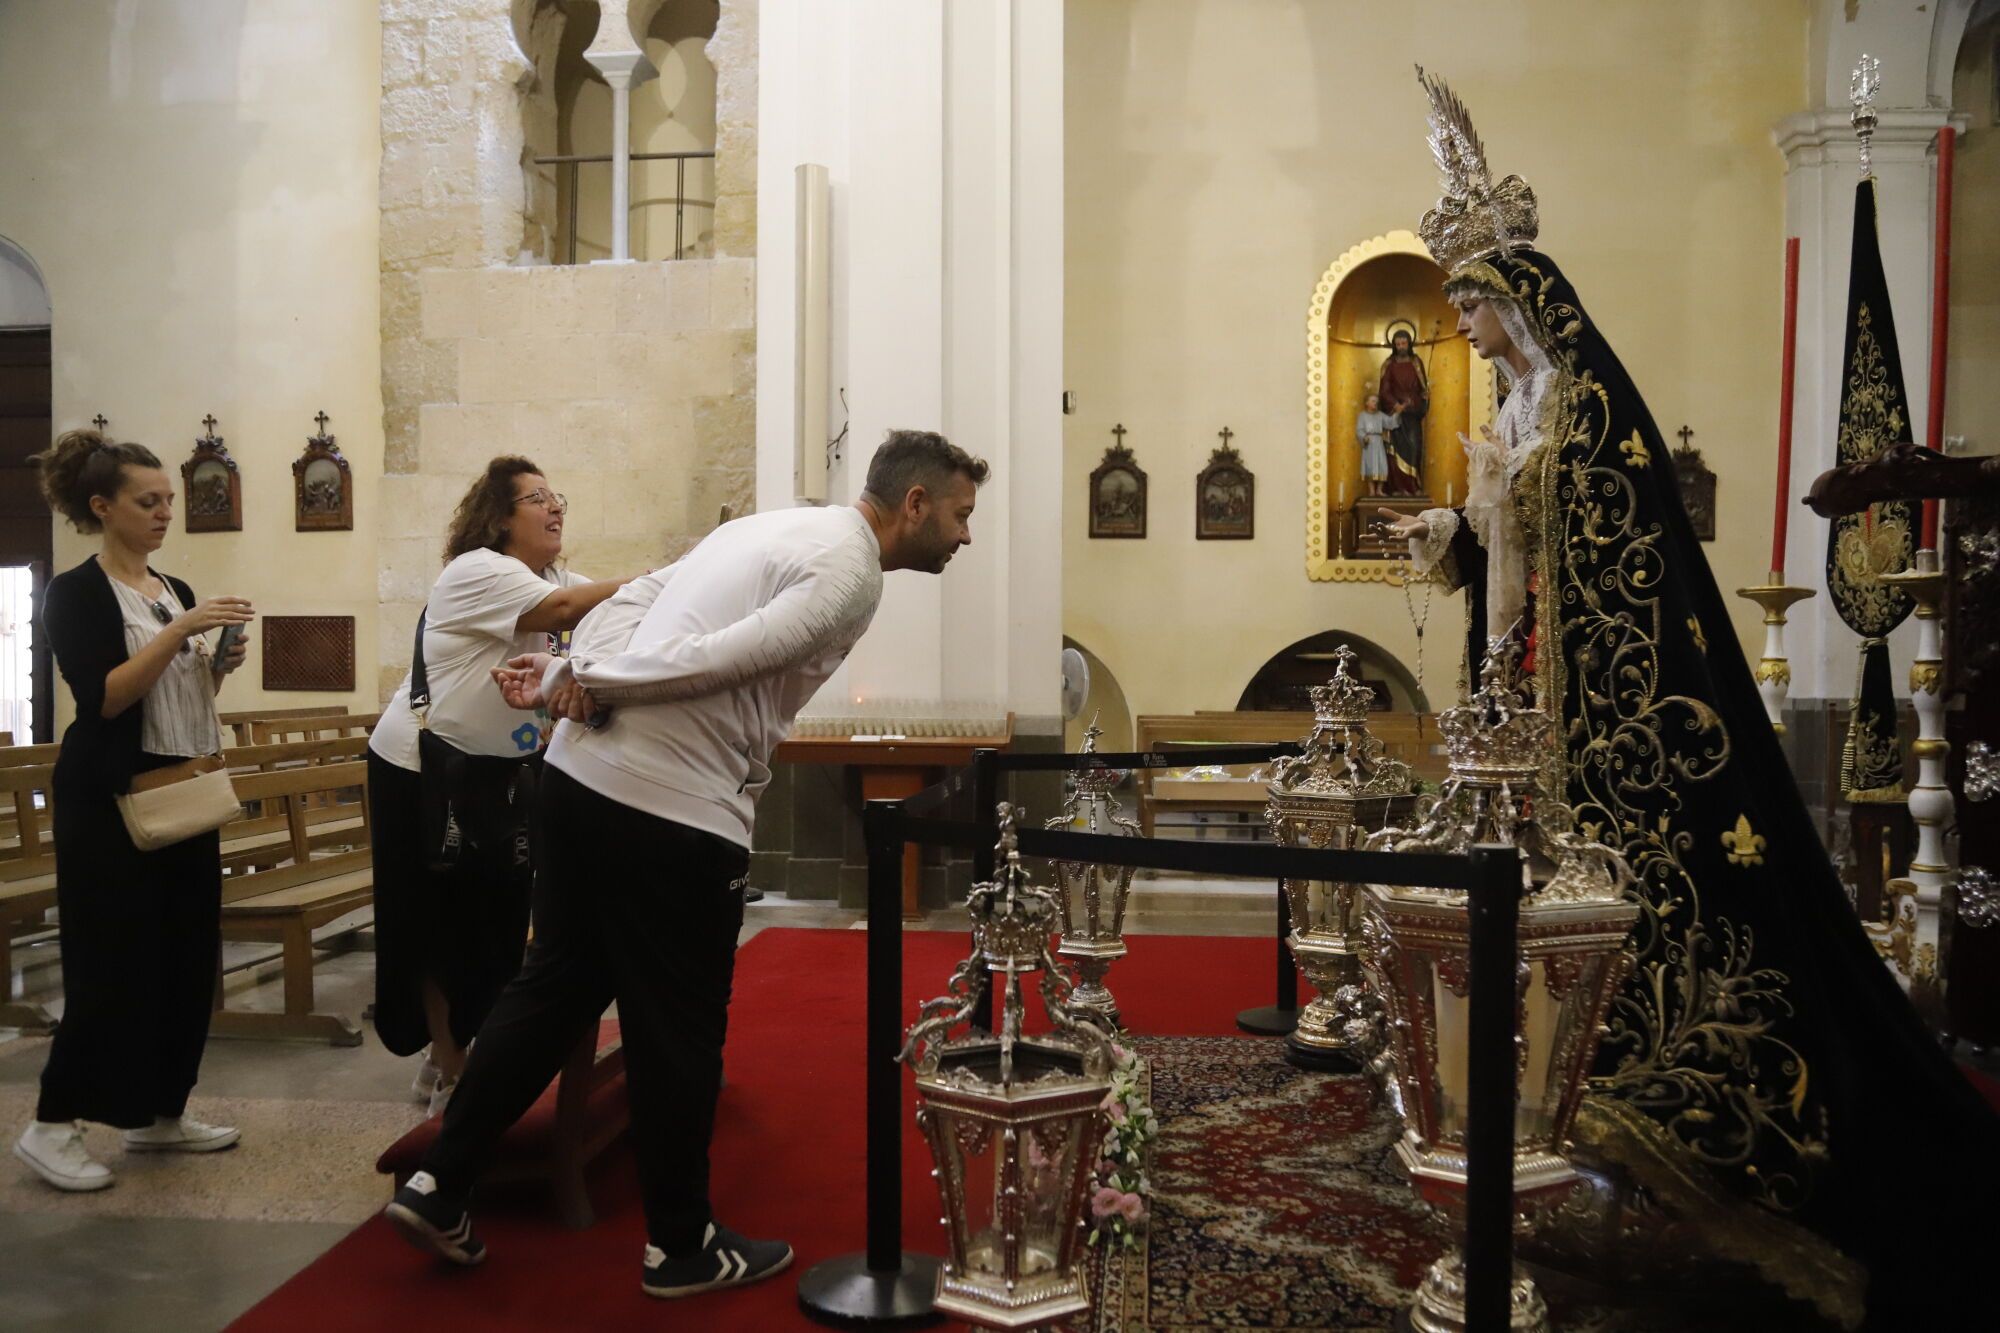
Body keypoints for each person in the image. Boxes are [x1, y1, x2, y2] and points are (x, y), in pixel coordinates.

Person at [1376, 71, 2000, 1327]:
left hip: (1591, 706)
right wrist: (1456, 524)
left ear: (1519, 302)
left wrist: (1496, 507)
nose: (1461, 326)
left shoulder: (1584, 404)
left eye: (1472, 303)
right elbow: (1512, 551)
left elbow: (1600, 549)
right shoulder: (1513, 407)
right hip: (1526, 698)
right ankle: (1536, 1108)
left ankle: (1611, 1113)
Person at [380, 430, 985, 1299]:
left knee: (553, 985)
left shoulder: (770, 528)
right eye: (961, 515)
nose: (965, 536)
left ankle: (442, 1181)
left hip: (579, 782)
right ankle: (682, 1243)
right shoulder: (850, 570)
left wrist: (579, 668)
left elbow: (645, 595)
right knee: (682, 1025)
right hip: (668, 809)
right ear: (916, 503)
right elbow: (723, 657)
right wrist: (584, 676)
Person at [12, 430, 252, 1192]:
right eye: (148, 502)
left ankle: (159, 1113)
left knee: (184, 963)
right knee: (110, 965)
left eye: (168, 501)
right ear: (101, 506)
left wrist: (214, 667)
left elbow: (181, 701)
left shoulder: (171, 587)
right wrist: (182, 630)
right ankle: (50, 1126)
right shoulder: (76, 592)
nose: (163, 514)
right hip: (111, 798)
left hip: (182, 789)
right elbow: (106, 695)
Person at [368, 458, 632, 1113]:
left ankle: (445, 1055)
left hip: (494, 773)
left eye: (556, 495)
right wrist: (659, 577)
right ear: (500, 517)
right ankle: (454, 1069)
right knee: (431, 923)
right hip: (418, 768)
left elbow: (604, 607)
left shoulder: (548, 578)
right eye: (536, 498)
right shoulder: (478, 569)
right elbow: (570, 607)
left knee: (497, 923)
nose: (554, 507)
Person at [1377, 324, 1429, 486]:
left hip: (1412, 414)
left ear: (1409, 344)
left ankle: (1413, 485)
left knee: (1414, 448)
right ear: (1394, 345)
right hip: (1395, 416)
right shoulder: (1389, 364)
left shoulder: (1416, 363)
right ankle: (1397, 487)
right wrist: (1395, 405)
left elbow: (1423, 388)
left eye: (1403, 343)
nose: (1401, 347)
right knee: (1395, 451)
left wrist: (1422, 399)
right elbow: (1384, 390)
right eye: (1398, 344)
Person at [1355, 392, 1397, 498]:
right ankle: (1371, 491)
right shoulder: (1362, 416)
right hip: (1369, 443)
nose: (1375, 403)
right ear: (1367, 403)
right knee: (1369, 465)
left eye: (1376, 402)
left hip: (1378, 441)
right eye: (1373, 401)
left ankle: (1379, 490)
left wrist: (1397, 413)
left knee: (1381, 464)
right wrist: (1364, 436)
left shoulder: (1380, 415)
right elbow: (1359, 430)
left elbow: (1390, 423)